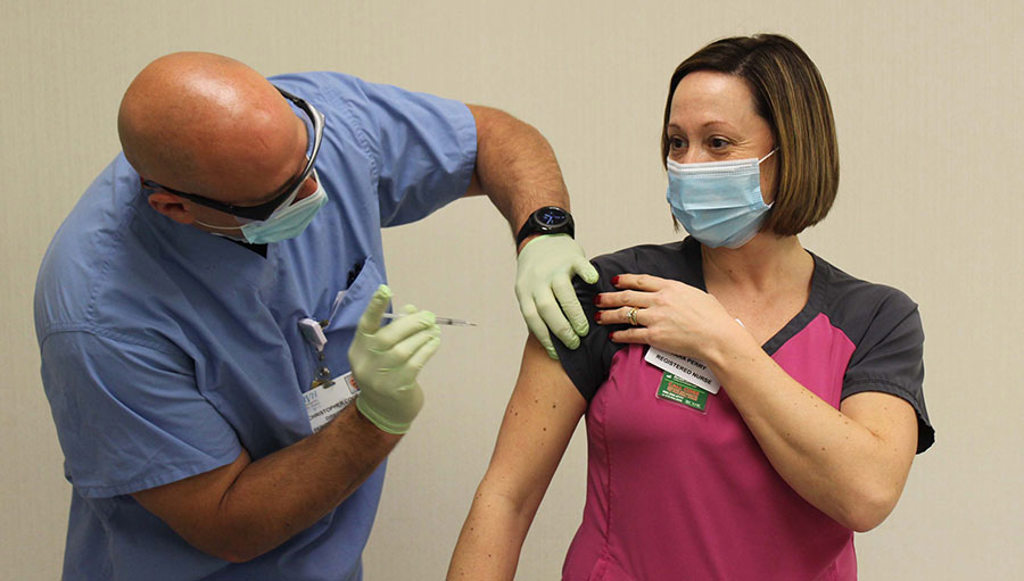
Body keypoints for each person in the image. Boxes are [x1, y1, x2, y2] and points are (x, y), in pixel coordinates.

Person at [34, 51, 599, 580]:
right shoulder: (98, 319)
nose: (316, 191)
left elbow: (493, 136)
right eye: (279, 197)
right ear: (176, 207)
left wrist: (544, 231)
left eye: (309, 159)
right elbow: (228, 525)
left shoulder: (324, 121)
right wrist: (376, 417)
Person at [448, 34, 934, 580]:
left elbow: (865, 494)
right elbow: (506, 498)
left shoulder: (875, 319)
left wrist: (721, 342)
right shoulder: (611, 292)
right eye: (677, 143)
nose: (688, 164)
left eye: (717, 143)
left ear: (792, 153)